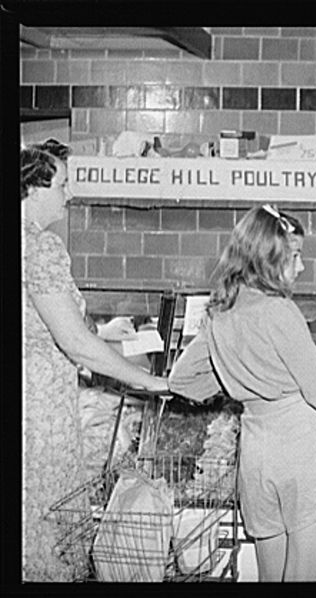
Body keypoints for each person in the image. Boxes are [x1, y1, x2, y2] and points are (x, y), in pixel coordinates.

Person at [168, 205, 316, 582]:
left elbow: (181, 381)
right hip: (302, 450)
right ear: (269, 259)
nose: (300, 267)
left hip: (256, 452)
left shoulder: (219, 312)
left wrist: (239, 378)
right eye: (294, 256)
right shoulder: (279, 311)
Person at [22, 140, 169, 581]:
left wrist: (102, 334)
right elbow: (75, 346)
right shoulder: (39, 248)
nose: (69, 195)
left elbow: (36, 325)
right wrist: (148, 383)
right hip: (39, 413)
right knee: (47, 534)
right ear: (32, 188)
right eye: (63, 185)